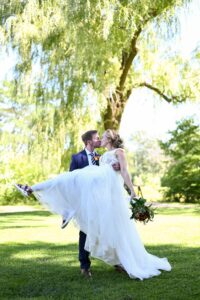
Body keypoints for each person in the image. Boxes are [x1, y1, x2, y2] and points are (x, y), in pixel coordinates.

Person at [15, 129, 171, 280]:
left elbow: (124, 172)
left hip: (105, 197)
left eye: (102, 137)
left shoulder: (117, 153)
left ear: (109, 139)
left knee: (116, 229)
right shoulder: (96, 157)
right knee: (64, 179)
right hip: (90, 192)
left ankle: (122, 262)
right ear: (89, 141)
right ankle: (34, 190)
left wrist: (132, 190)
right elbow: (74, 186)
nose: (100, 139)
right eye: (98, 137)